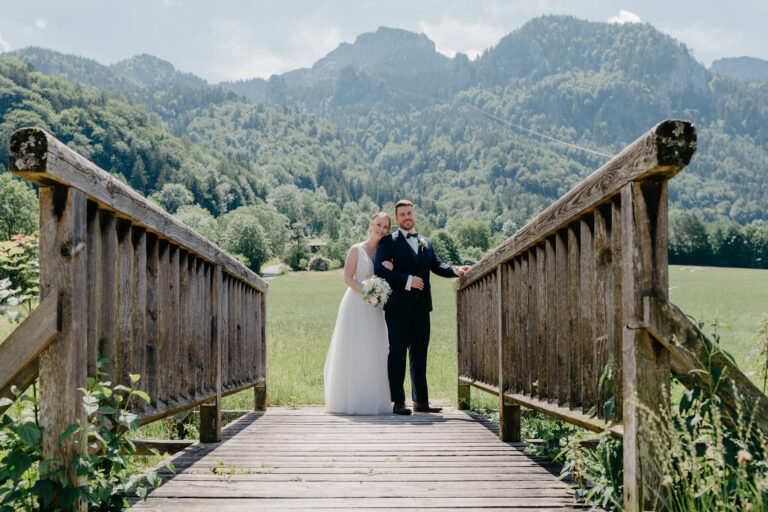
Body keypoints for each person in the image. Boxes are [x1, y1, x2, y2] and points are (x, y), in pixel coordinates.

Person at [374, 200, 469, 415]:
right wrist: (408, 280)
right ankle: (398, 402)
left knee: (420, 353)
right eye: (402, 214)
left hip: (422, 307)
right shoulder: (389, 241)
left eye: (410, 213)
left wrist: (456, 269)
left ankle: (421, 402)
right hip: (398, 307)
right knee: (397, 353)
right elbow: (379, 270)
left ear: (414, 214)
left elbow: (438, 266)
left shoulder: (426, 241)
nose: (407, 217)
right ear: (397, 218)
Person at [324, 212, 393, 415]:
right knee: (353, 348)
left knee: (374, 348)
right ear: (371, 225)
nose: (381, 229)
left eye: (386, 227)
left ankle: (373, 399)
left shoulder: (386, 251)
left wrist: (380, 290)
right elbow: (347, 278)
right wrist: (367, 292)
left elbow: (389, 276)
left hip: (375, 306)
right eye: (379, 225)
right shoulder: (357, 249)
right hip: (355, 302)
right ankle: (350, 399)